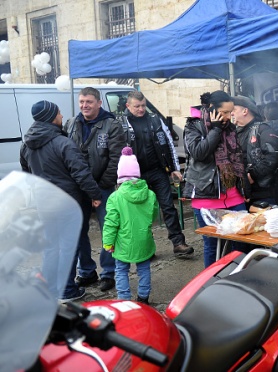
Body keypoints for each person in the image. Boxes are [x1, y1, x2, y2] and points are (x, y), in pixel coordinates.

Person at [19, 100, 102, 303]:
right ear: (50, 116)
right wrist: (95, 194)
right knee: (68, 246)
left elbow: (27, 171)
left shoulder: (27, 143)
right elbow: (81, 172)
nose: (62, 116)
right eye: (58, 113)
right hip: (68, 203)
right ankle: (66, 289)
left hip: (44, 202)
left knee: (51, 246)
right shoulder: (63, 143)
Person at [64, 87, 126, 292]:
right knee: (77, 230)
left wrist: (99, 188)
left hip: (103, 187)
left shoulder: (112, 125)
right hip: (78, 187)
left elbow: (116, 159)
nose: (84, 105)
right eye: (81, 101)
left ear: (99, 103)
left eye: (89, 101)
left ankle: (108, 273)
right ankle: (87, 271)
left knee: (108, 230)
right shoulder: (71, 124)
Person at [120, 91, 193, 257]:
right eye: (137, 106)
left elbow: (168, 143)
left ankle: (178, 243)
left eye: (143, 106)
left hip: (157, 171)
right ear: (128, 106)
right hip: (135, 176)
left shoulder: (155, 120)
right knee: (140, 213)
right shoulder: (120, 124)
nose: (141, 109)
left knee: (168, 207)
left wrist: (174, 168)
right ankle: (146, 248)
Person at [184, 91, 250, 267]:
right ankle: (212, 283)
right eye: (226, 112)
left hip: (234, 195)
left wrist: (245, 186)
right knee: (213, 246)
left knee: (241, 242)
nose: (230, 117)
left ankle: (239, 279)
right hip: (207, 196)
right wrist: (215, 130)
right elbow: (199, 153)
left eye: (231, 112)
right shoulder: (193, 125)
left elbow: (238, 157)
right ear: (212, 109)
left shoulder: (229, 127)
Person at [102, 147, 157, 304]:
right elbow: (153, 215)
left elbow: (111, 223)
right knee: (144, 268)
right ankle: (143, 297)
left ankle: (124, 299)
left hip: (123, 242)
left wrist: (108, 242)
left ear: (119, 176)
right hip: (144, 239)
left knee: (121, 270)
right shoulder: (150, 194)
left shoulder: (115, 197)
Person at [232, 95, 278, 207]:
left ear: (245, 111)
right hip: (240, 194)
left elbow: (272, 157)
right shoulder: (233, 132)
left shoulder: (263, 129)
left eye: (234, 110)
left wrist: (251, 176)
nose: (231, 113)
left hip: (262, 193)